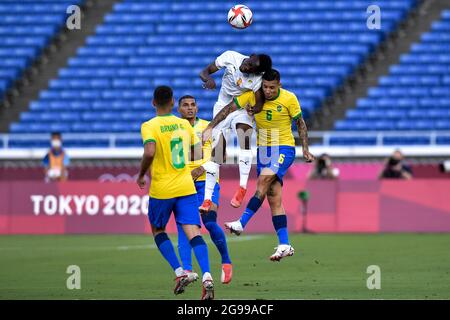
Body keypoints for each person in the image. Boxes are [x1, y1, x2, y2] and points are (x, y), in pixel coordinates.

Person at [204, 69, 315, 261]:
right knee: (273, 197)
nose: (268, 91)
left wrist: (305, 148)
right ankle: (284, 244)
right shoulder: (252, 96)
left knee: (263, 181)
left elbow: (300, 123)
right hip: (263, 149)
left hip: (283, 148)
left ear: (279, 85)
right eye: (265, 87)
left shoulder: (289, 98)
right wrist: (211, 126)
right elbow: (228, 109)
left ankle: (241, 222)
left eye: (272, 87)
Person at [136, 86, 214, 300]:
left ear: (153, 103)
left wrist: (142, 173)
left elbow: (150, 151)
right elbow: (197, 151)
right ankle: (207, 276)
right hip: (186, 186)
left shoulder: (149, 125)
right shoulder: (182, 124)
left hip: (162, 189)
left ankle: (181, 272)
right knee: (194, 233)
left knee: (158, 229)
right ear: (172, 103)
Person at [199, 50, 272, 212]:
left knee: (244, 136)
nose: (247, 68)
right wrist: (208, 79)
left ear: (258, 73)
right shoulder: (230, 57)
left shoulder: (257, 79)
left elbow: (259, 104)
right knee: (217, 153)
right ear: (251, 55)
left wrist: (254, 109)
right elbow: (204, 71)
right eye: (249, 64)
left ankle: (242, 187)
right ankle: (207, 199)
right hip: (222, 106)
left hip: (241, 108)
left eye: (252, 69)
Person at [176, 95, 233, 284]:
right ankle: (187, 270)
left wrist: (203, 167)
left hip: (207, 181)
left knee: (209, 222)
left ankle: (226, 260)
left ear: (197, 108)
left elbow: (221, 155)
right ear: (179, 109)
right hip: (183, 183)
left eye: (193, 105)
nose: (190, 108)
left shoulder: (210, 127)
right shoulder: (174, 130)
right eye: (185, 105)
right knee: (184, 227)